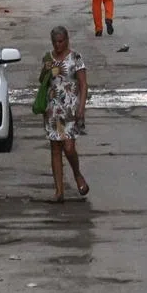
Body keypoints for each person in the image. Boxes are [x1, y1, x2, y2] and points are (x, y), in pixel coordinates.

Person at [41, 26, 89, 203]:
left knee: (68, 148)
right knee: (55, 149)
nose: (58, 45)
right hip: (53, 110)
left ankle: (77, 174)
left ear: (67, 40)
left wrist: (81, 107)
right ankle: (59, 191)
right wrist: (45, 70)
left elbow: (83, 84)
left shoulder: (75, 58)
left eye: (61, 41)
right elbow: (44, 82)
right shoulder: (48, 58)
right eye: (55, 42)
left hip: (70, 110)